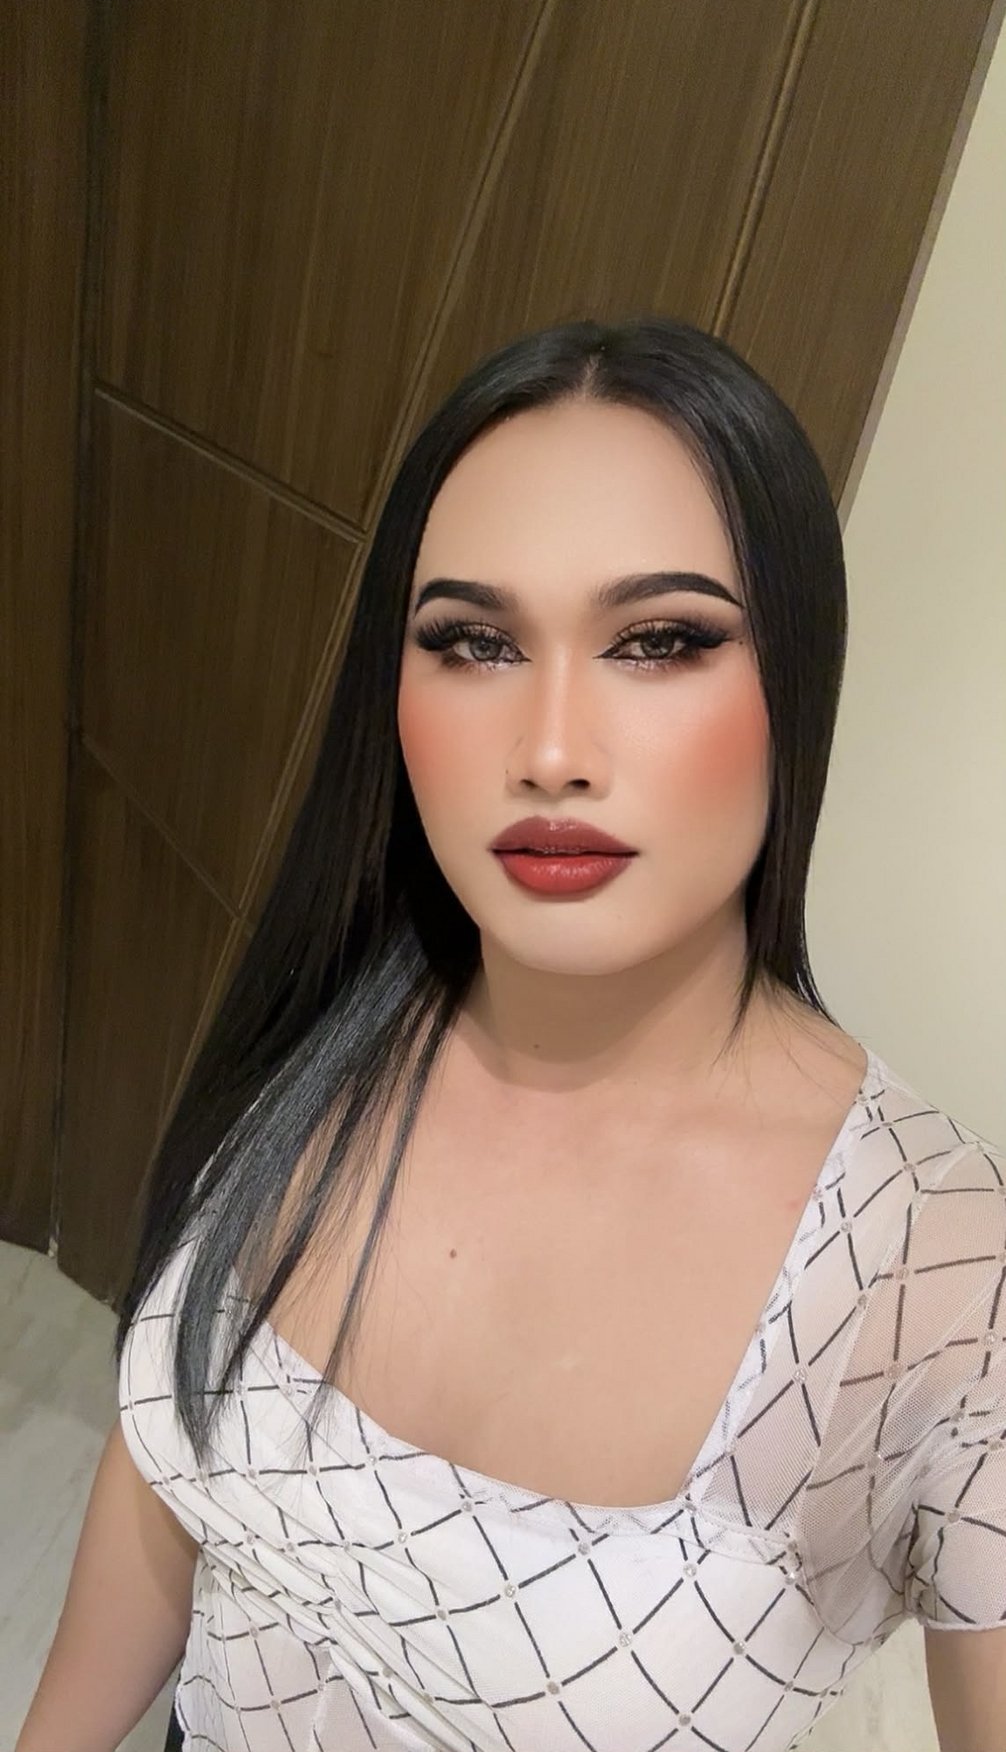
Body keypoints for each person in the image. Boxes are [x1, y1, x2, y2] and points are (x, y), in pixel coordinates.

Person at [17, 317, 1005, 1752]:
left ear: (798, 678)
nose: (548, 750)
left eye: (658, 642)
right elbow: (173, 1475)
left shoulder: (942, 1275)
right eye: (473, 643)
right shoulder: (329, 1023)